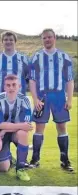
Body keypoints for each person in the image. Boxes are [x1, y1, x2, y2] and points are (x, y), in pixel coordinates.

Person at [29, 28, 74, 171]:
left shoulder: (64, 57)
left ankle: (64, 160)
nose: (47, 40)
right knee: (39, 127)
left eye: (49, 37)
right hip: (42, 96)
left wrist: (70, 99)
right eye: (44, 38)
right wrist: (35, 99)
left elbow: (70, 80)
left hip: (59, 96)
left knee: (62, 127)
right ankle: (35, 159)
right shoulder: (36, 57)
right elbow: (32, 80)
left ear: (54, 38)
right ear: (42, 40)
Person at [0, 74, 33, 181]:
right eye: (8, 85)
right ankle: (9, 157)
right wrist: (4, 129)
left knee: (23, 133)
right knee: (3, 169)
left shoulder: (25, 100)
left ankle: (20, 169)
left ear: (19, 86)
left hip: (14, 133)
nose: (11, 88)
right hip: (1, 136)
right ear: (4, 87)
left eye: (14, 85)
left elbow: (27, 126)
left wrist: (5, 129)